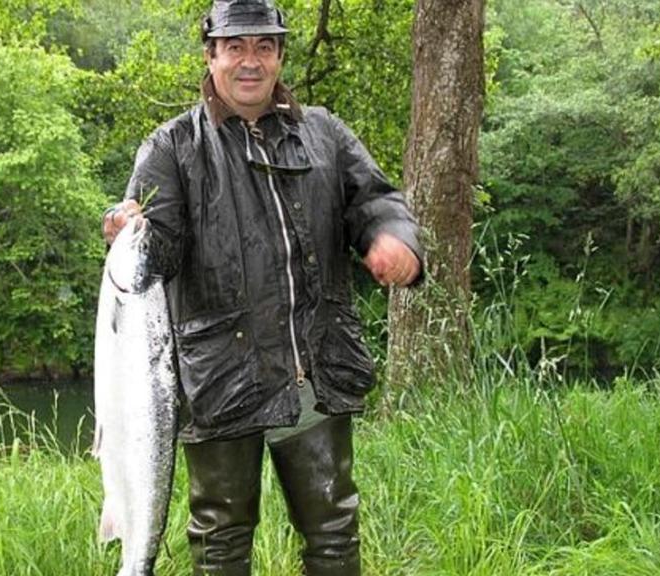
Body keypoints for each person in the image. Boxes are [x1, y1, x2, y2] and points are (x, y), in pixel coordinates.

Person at [102, 1, 423, 574]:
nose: (250, 61)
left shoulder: (324, 132)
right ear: (211, 55)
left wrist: (393, 238)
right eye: (235, 47)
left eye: (264, 47)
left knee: (334, 532)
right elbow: (159, 252)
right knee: (222, 540)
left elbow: (375, 201)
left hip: (314, 371)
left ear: (278, 56)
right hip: (221, 380)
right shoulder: (170, 147)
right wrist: (130, 232)